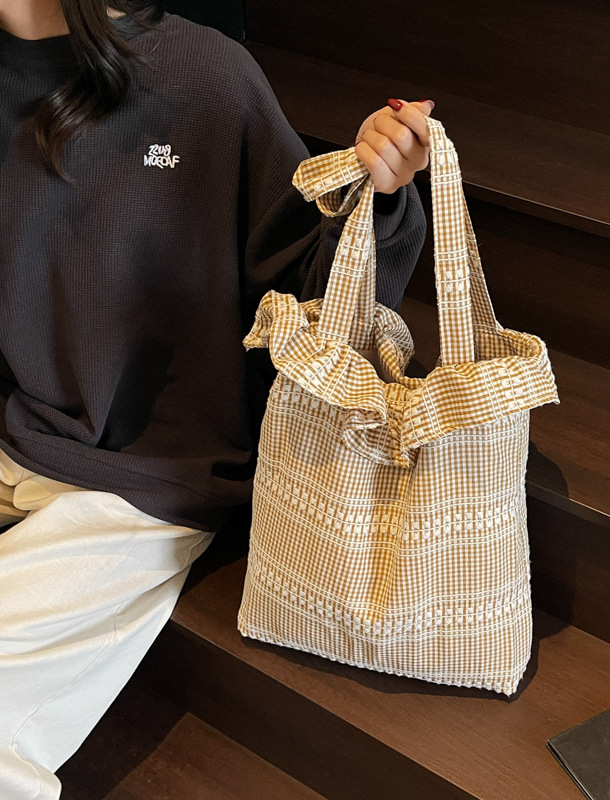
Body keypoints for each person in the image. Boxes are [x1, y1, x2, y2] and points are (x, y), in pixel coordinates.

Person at [0, 1, 432, 797]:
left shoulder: (199, 75)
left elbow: (316, 300)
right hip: (21, 432)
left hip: (149, 475)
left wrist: (375, 192)